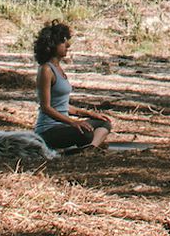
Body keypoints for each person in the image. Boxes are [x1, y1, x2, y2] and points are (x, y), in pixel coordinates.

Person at [33, 21, 113, 151]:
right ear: (52, 44)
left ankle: (90, 149)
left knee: (104, 123)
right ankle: (87, 145)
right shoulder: (46, 70)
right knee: (86, 133)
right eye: (63, 42)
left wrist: (90, 114)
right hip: (48, 130)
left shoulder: (59, 69)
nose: (68, 45)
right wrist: (73, 123)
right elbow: (46, 107)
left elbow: (63, 106)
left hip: (64, 126)